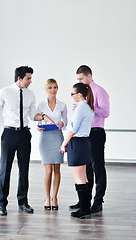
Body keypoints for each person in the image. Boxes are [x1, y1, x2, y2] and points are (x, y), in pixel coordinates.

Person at [0, 66, 53, 216]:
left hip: (24, 134)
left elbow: (32, 115)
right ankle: (2, 203)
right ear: (19, 78)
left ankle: (23, 202)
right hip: (9, 134)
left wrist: (43, 117)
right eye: (28, 78)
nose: (30, 81)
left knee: (24, 169)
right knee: (5, 169)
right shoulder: (5, 92)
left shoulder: (30, 94)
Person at [69, 65, 110, 213]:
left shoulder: (100, 91)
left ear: (89, 76)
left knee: (97, 166)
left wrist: (89, 107)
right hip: (84, 134)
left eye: (81, 78)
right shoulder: (83, 92)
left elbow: (106, 113)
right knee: (86, 168)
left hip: (96, 132)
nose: (79, 81)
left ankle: (98, 201)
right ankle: (84, 201)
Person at [60, 83, 94, 219]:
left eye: (72, 94)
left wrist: (64, 144)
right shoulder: (87, 107)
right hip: (84, 143)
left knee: (79, 178)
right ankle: (85, 208)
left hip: (77, 143)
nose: (72, 96)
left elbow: (72, 129)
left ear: (79, 94)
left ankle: (84, 210)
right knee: (83, 177)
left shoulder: (81, 108)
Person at [37, 78, 68, 210]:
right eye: (50, 88)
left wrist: (62, 124)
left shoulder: (62, 105)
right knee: (48, 170)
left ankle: (54, 197)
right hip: (45, 138)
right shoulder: (41, 105)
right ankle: (46, 197)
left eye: (55, 87)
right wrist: (39, 127)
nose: (53, 90)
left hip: (57, 137)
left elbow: (66, 122)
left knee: (56, 169)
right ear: (46, 89)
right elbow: (37, 120)